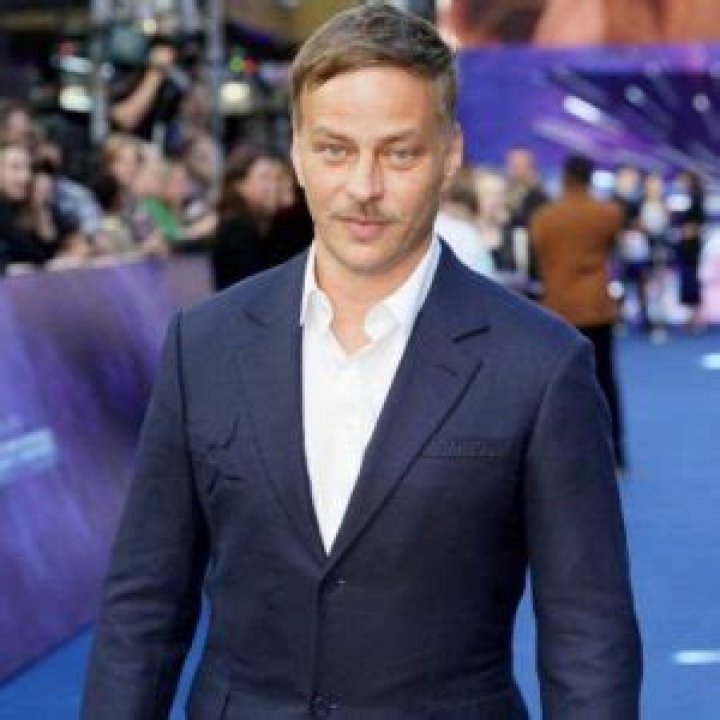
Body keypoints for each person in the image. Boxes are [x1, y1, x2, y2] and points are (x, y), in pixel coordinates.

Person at [82, 5, 641, 719]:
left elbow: (588, 630)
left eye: (399, 153)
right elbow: (144, 603)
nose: (364, 187)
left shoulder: (541, 364)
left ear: (450, 154)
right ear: (296, 152)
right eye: (335, 150)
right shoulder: (205, 343)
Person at [530, 154, 627, 472]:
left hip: (557, 309)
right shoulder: (609, 213)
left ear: (565, 177)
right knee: (605, 380)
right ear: (590, 177)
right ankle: (616, 454)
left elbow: (537, 257)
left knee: (554, 387)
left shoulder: (544, 218)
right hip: (596, 306)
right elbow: (613, 249)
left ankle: (557, 459)